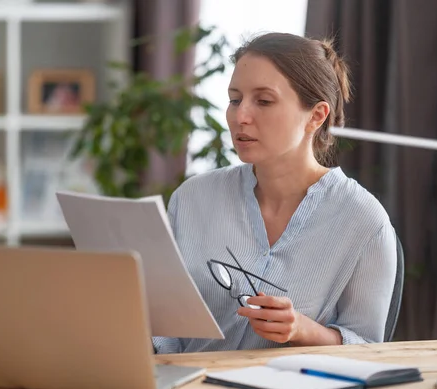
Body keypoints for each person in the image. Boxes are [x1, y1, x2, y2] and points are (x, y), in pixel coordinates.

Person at [152, 32, 397, 354]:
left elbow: (368, 349)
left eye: (264, 101)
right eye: (235, 99)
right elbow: (164, 330)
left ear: (316, 116)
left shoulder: (364, 220)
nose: (241, 116)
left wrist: (302, 329)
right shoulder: (193, 198)